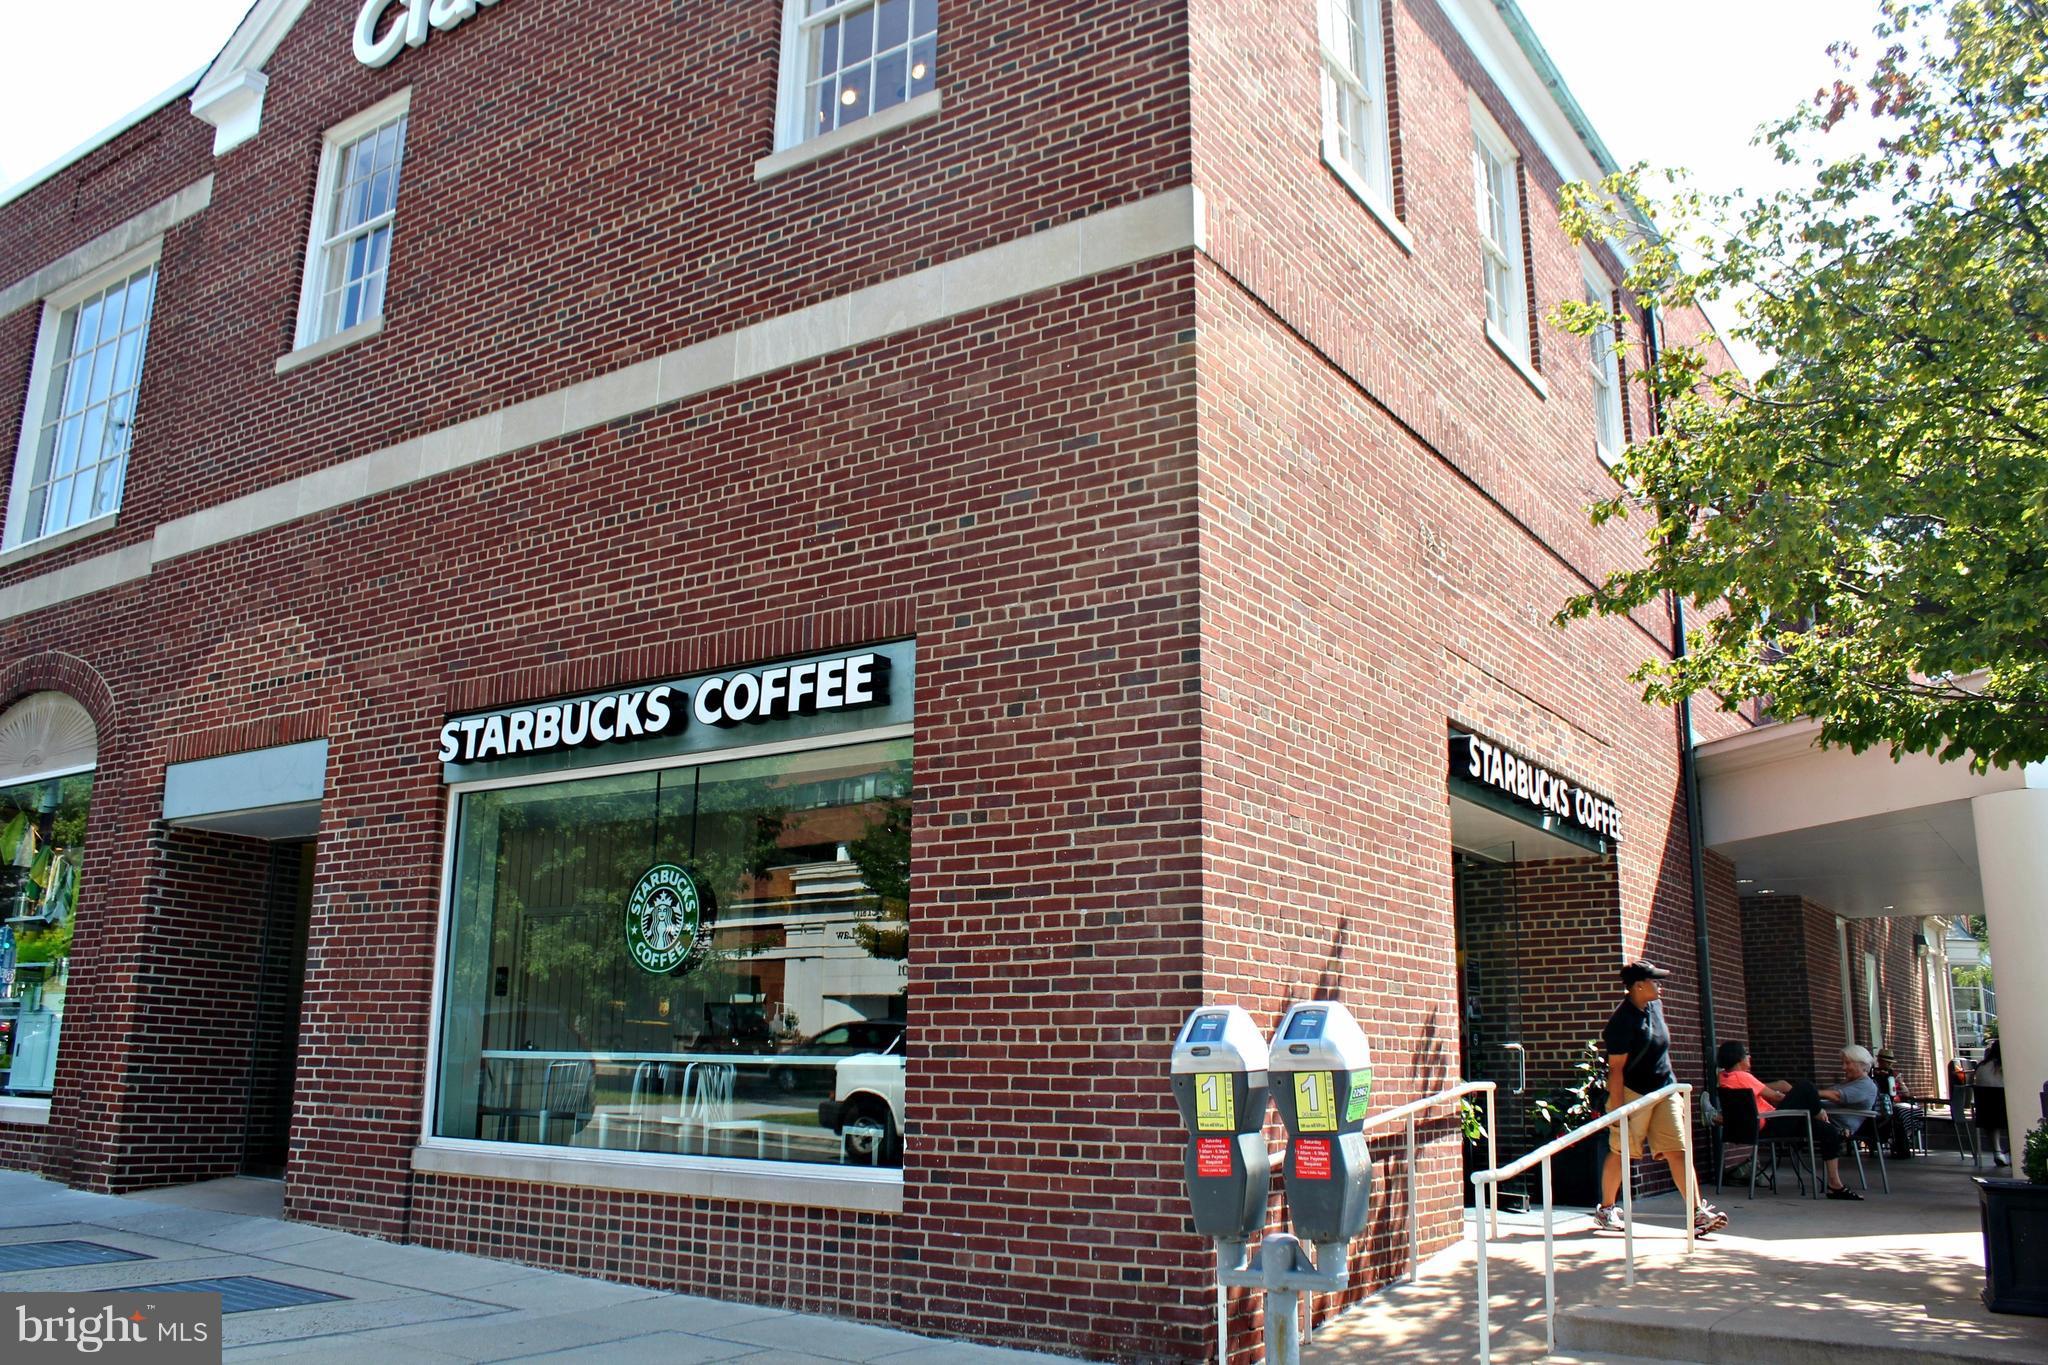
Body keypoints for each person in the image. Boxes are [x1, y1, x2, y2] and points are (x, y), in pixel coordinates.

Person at [1592, 961, 1728, 1236]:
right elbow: (1616, 1069)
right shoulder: (1621, 1022)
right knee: (1622, 1151)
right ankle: (1606, 1210)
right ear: (1638, 986)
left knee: (1678, 1149)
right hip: (1633, 1092)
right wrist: (1617, 1108)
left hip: (1665, 1089)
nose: (1659, 985)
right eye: (1654, 981)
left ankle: (1697, 1214)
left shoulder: (1655, 1006)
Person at [1767, 1045, 1882, 1199]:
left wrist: (1805, 1094)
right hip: (1818, 1122)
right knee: (1789, 1087)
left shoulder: (1866, 1085)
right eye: (1843, 1063)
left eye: (1847, 1063)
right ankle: (1757, 1088)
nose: (1843, 1067)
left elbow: (1835, 1096)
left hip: (1834, 1126)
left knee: (1804, 1087)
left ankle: (1767, 1111)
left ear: (1862, 1065)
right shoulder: (1847, 1082)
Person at [1872, 1049, 1921, 1158]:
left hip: (1894, 1103)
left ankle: (1902, 1143)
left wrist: (1899, 1083)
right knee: (1897, 1113)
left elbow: (1906, 1093)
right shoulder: (1873, 1075)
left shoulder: (1895, 1075)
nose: (1883, 1064)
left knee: (1904, 1113)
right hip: (1881, 1104)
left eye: (1885, 1062)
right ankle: (1899, 1144)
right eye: (1881, 1061)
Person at [1975, 1040, 2010, 1167]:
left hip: (1985, 1113)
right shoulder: (2005, 1066)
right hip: (2004, 1110)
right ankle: (2014, 1151)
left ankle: (1997, 1151)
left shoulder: (1981, 1067)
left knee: (1992, 1123)